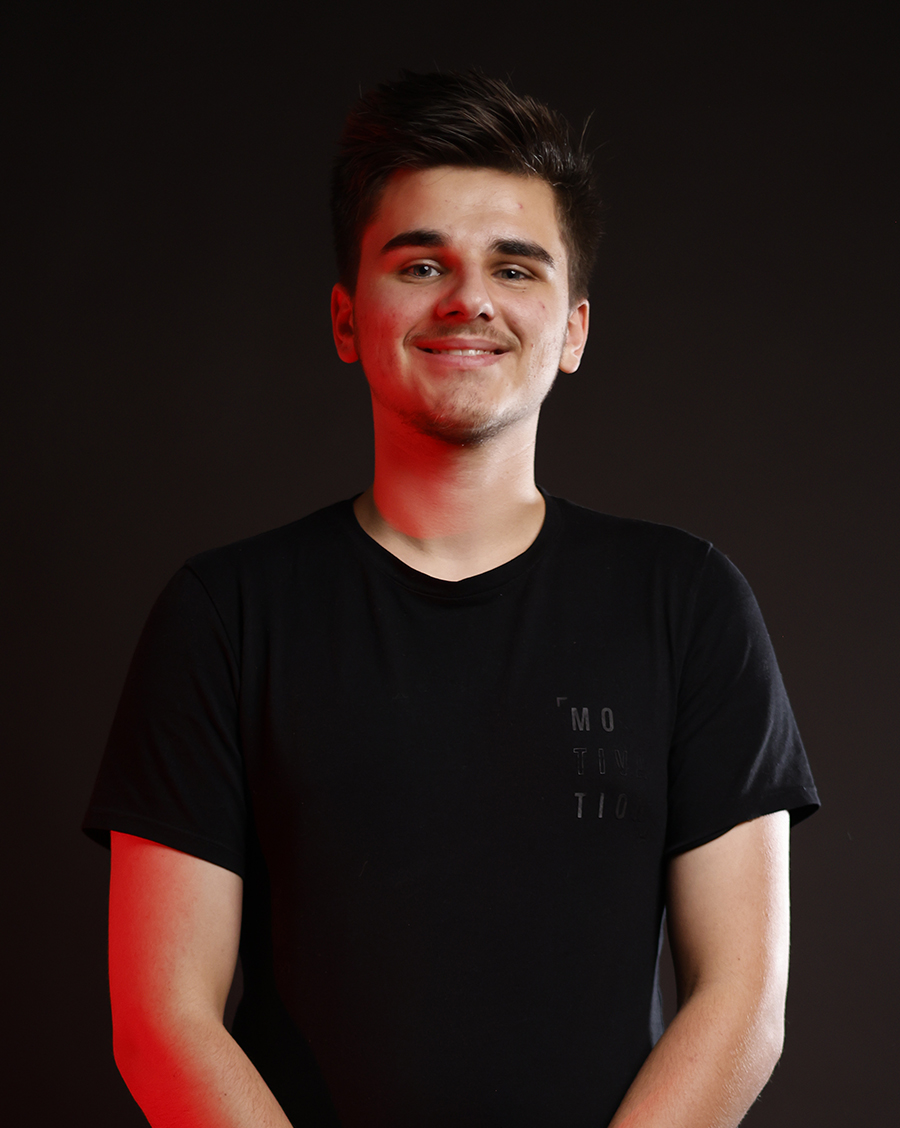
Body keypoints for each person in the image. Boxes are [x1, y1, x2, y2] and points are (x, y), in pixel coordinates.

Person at [84, 70, 819, 1127]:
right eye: (421, 263)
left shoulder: (687, 602)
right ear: (347, 318)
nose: (467, 299)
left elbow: (743, 1002)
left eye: (513, 267)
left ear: (573, 329)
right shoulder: (223, 615)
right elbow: (163, 1017)